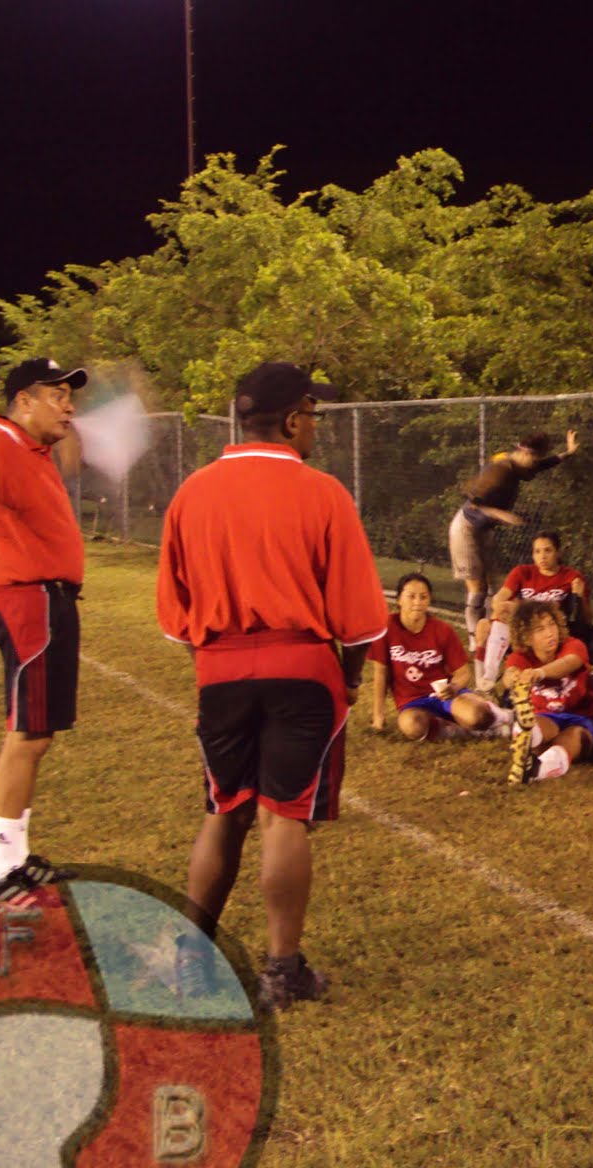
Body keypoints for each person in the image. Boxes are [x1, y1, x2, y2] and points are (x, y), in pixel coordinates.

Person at [157, 362, 389, 1009]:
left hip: (220, 672)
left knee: (223, 810)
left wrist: (224, 664)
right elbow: (363, 619)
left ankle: (189, 962)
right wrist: (344, 679)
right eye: (312, 414)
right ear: (291, 420)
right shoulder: (322, 493)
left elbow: (177, 623)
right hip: (302, 669)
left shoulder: (192, 493)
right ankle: (282, 972)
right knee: (285, 816)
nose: (315, 426)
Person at [0, 355, 88, 906]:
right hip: (28, 600)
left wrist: (67, 426)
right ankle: (0, 866)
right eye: (56, 395)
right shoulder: (0, 439)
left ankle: (16, 853)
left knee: (40, 734)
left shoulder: (34, 448)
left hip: (50, 600)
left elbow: (73, 460)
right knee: (27, 733)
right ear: (23, 401)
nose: (69, 404)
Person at [449, 428, 580, 642]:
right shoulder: (500, 470)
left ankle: (493, 634)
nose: (534, 465)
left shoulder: (523, 464)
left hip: (485, 529)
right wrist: (502, 514)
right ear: (526, 453)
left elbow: (544, 464)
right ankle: (476, 640)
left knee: (495, 586)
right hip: (466, 527)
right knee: (477, 588)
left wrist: (568, 452)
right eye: (534, 459)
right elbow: (473, 503)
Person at [370, 573, 511, 740]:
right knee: (412, 726)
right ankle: (464, 731)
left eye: (423, 597)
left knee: (478, 715)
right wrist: (378, 716)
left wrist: (454, 687)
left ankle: (505, 718)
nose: (417, 602)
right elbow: (380, 673)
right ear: (399, 599)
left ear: (429, 600)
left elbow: (463, 673)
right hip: (412, 702)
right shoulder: (386, 628)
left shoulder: (442, 630)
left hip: (446, 696)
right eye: (411, 596)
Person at [472, 530, 591, 688]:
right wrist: (511, 609)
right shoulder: (523, 572)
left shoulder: (570, 576)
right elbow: (497, 600)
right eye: (537, 551)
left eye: (548, 550)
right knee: (483, 625)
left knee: (502, 617)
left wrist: (581, 597)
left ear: (558, 552)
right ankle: (485, 682)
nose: (542, 556)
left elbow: (587, 618)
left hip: (548, 629)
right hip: (522, 628)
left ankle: (488, 678)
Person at [504, 599, 593, 784]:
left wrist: (539, 673)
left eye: (552, 625)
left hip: (582, 718)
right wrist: (513, 678)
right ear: (526, 637)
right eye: (540, 629)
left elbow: (569, 663)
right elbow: (510, 673)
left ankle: (537, 770)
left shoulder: (574, 645)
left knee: (573, 737)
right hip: (547, 717)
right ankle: (525, 746)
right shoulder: (520, 657)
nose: (550, 633)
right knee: (531, 726)